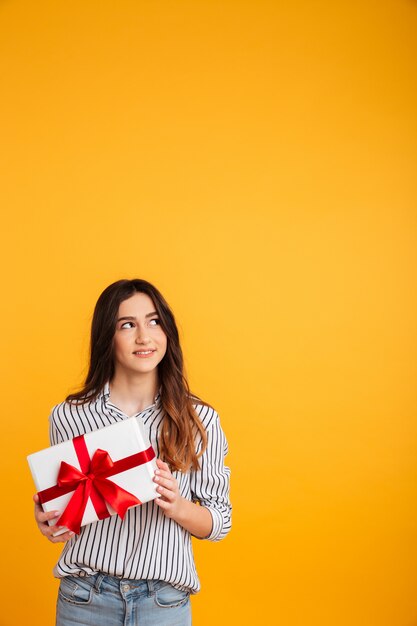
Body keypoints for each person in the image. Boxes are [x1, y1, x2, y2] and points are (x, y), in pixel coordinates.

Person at [33, 278, 231, 626]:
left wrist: (177, 505)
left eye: (154, 322)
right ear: (107, 337)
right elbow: (66, 515)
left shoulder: (199, 419)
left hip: (164, 603)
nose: (144, 336)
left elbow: (220, 522)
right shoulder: (69, 416)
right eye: (128, 325)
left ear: (167, 331)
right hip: (85, 598)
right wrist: (52, 522)